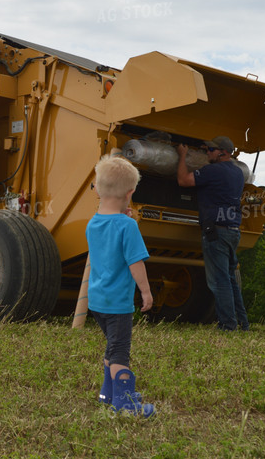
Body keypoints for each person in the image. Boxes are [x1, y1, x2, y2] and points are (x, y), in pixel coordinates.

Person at [86, 154, 155, 417]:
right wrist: (146, 291)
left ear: (98, 189)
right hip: (118, 304)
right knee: (120, 353)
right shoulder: (128, 226)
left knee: (111, 345)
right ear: (131, 193)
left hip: (97, 302)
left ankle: (108, 392)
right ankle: (125, 404)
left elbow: (108, 233)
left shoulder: (93, 224)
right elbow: (135, 263)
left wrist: (123, 218)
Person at [176, 136, 250, 332]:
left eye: (210, 149)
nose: (206, 152)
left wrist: (182, 156)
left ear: (223, 152)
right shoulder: (237, 173)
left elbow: (183, 180)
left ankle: (227, 325)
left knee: (219, 281)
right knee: (230, 279)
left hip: (216, 230)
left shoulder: (213, 171)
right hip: (233, 229)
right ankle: (242, 324)